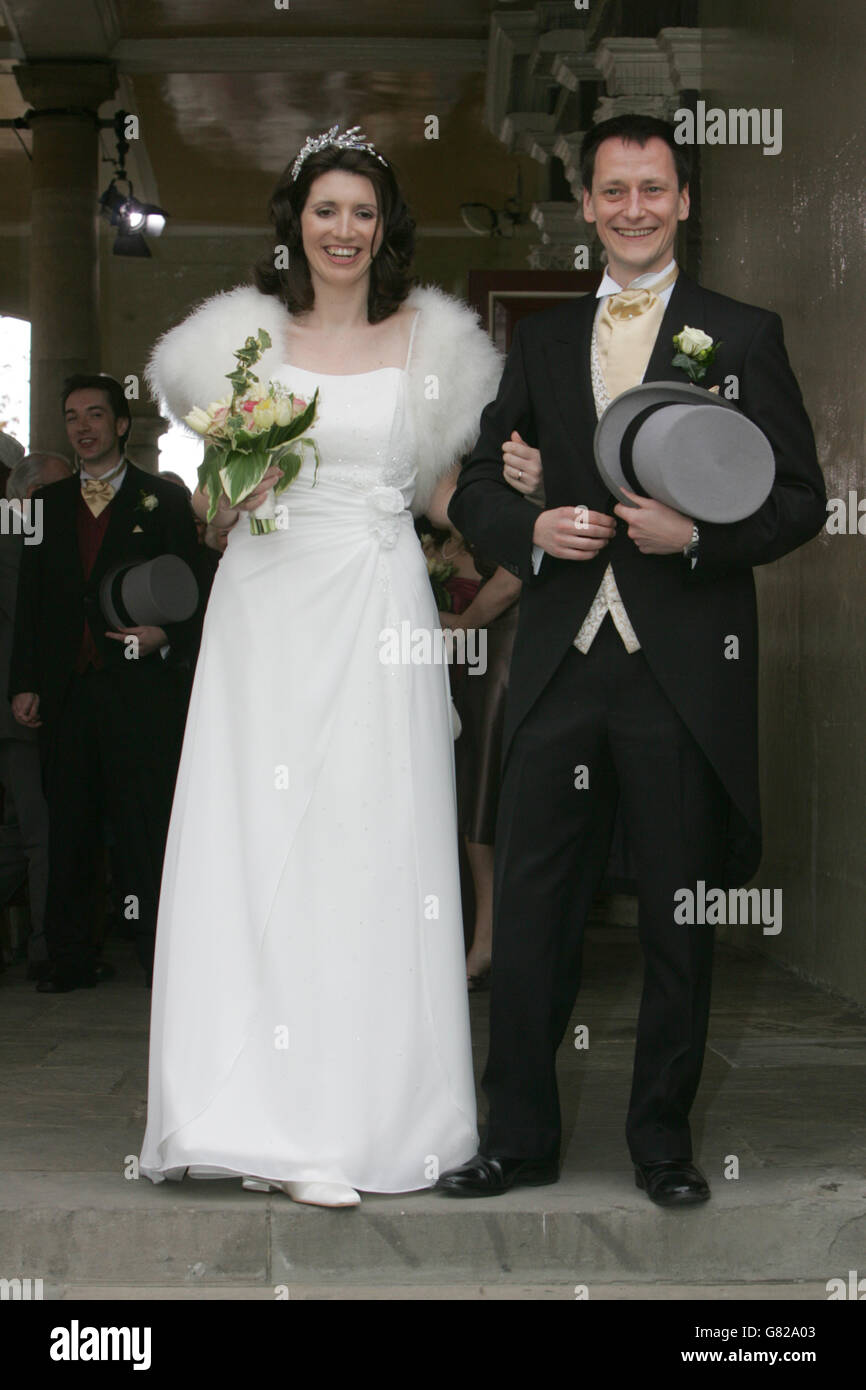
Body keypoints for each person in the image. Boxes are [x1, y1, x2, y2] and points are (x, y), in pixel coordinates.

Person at [437, 114, 826, 1207]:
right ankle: (516, 1138)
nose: (633, 208)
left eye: (652, 188)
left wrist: (694, 538)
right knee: (530, 910)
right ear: (589, 203)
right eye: (613, 190)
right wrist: (527, 533)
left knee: (676, 916)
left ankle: (662, 1145)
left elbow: (798, 499)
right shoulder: (543, 343)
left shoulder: (740, 335)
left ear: (682, 200)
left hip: (679, 669)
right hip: (560, 659)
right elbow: (475, 482)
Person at [138, 126, 505, 1208]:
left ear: (383, 226)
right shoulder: (239, 346)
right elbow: (207, 513)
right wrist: (228, 497)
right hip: (265, 607)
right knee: (254, 842)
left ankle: (369, 1117)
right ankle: (251, 1113)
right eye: (324, 209)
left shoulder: (429, 344)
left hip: (376, 602)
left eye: (362, 211)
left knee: (369, 843)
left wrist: (524, 513)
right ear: (294, 221)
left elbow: (442, 495)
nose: (343, 230)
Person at [9, 376, 201, 991]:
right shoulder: (43, 505)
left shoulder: (164, 502)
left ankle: (155, 953)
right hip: (67, 692)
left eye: (96, 415)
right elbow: (31, 601)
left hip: (140, 691)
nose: (83, 426)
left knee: (143, 822)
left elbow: (194, 596)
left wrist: (163, 637)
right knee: (70, 824)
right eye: (72, 417)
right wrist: (25, 682)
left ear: (122, 425)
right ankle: (68, 954)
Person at [0, 452, 71, 977]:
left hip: (27, 711)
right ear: (26, 499)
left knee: (21, 831)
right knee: (41, 832)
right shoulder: (16, 546)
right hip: (21, 713)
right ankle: (49, 951)